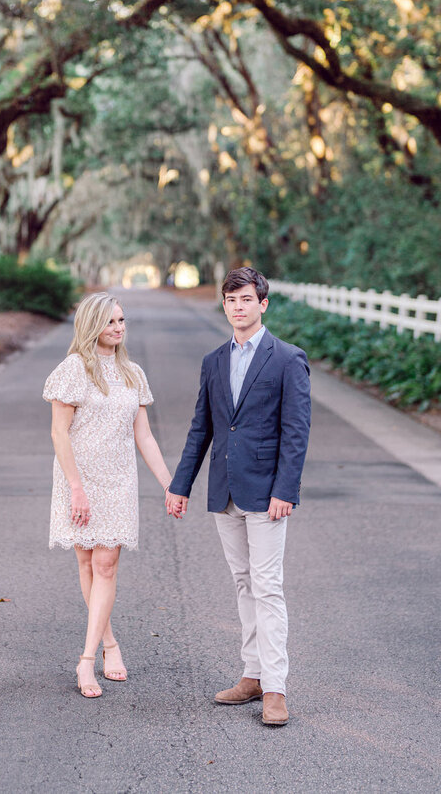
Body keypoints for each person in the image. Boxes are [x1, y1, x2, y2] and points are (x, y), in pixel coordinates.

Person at [166, 267, 311, 726]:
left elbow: (296, 433)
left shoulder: (288, 359)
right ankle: (251, 675)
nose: (238, 307)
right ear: (224, 304)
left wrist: (285, 490)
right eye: (231, 300)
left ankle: (275, 689)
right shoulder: (213, 361)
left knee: (268, 588)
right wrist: (180, 483)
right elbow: (202, 428)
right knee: (244, 585)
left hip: (268, 494)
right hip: (224, 492)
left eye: (247, 299)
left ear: (263, 303)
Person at [43, 291, 176, 699]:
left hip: (119, 480)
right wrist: (77, 489)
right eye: (111, 322)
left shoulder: (133, 373)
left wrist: (171, 483)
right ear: (91, 326)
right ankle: (110, 644)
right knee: (86, 562)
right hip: (78, 478)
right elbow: (58, 433)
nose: (119, 328)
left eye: (122, 321)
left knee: (105, 564)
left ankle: (86, 660)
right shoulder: (73, 370)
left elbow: (145, 436)